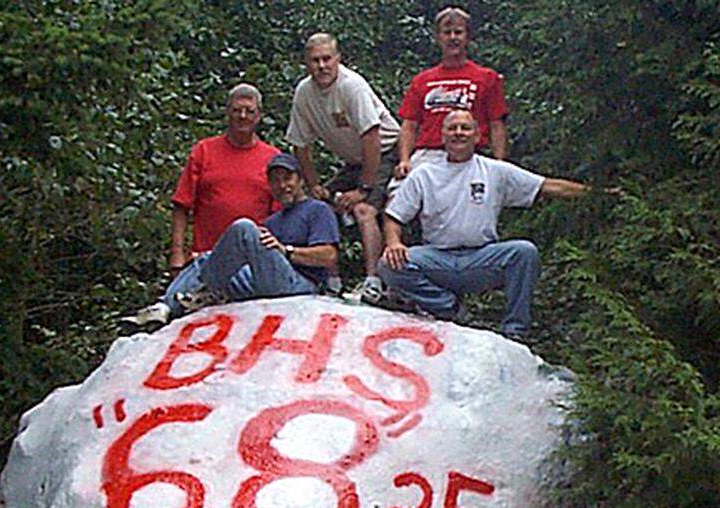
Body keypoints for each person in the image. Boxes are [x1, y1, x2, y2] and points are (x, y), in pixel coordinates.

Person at [379, 109, 597, 341]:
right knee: (388, 264)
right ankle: (450, 309)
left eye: (465, 128)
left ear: (477, 136)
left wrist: (599, 194)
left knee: (524, 252)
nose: (458, 133)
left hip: (482, 258)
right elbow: (393, 217)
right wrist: (393, 243)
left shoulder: (495, 170)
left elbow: (548, 186)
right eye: (452, 128)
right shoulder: (423, 174)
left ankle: (515, 330)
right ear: (442, 136)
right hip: (437, 258)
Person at [127, 83, 279, 328]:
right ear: (227, 112)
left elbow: (279, 218)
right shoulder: (204, 151)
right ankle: (160, 312)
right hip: (203, 259)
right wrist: (177, 254)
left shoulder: (272, 158)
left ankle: (166, 305)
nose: (243, 116)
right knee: (204, 268)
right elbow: (181, 205)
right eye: (237, 110)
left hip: (248, 266)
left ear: (259, 116)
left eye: (249, 111)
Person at [286, 33, 401, 304]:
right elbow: (299, 144)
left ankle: (374, 281)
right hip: (354, 160)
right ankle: (331, 280)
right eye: (315, 61)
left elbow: (371, 136)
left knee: (363, 210)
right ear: (306, 64)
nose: (322, 66)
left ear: (338, 58)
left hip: (385, 151)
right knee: (317, 206)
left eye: (327, 59)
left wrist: (364, 188)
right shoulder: (304, 92)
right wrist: (314, 184)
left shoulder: (351, 86)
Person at [153, 154, 340, 315]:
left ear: (300, 180)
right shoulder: (272, 221)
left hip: (302, 285)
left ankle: (206, 289)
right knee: (206, 258)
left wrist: (286, 251)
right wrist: (215, 261)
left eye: (287, 178)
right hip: (265, 281)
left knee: (244, 227)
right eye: (275, 180)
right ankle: (165, 307)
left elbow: (329, 256)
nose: (282, 185)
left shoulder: (317, 210)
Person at [393, 6, 508, 181]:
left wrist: (499, 164)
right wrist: (404, 160)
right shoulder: (422, 81)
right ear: (438, 37)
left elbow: (496, 124)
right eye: (447, 33)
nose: (453, 38)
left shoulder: (487, 78)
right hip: (429, 155)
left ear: (467, 37)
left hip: (471, 154)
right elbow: (409, 125)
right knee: (398, 191)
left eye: (458, 32)